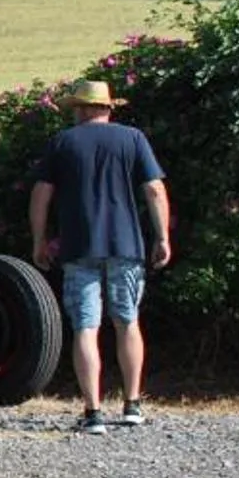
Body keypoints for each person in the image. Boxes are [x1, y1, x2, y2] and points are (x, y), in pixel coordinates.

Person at [29, 76, 171, 435]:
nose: (74, 112)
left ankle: (92, 411)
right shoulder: (133, 139)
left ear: (84, 108)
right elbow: (154, 190)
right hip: (126, 245)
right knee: (127, 321)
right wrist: (162, 236)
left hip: (79, 246)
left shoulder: (63, 142)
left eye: (76, 107)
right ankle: (132, 404)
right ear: (107, 108)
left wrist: (39, 240)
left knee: (86, 327)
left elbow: (41, 195)